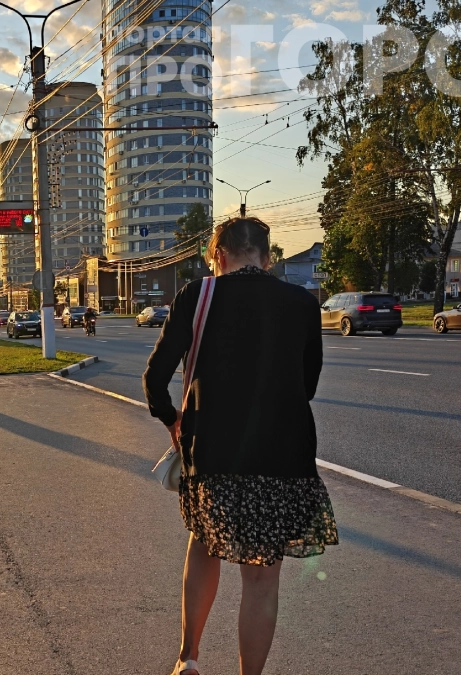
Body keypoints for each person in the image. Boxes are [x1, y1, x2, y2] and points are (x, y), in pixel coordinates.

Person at [142, 217, 338, 675]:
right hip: (283, 454)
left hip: (213, 451)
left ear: (219, 255)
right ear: (267, 258)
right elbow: (307, 385)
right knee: (262, 579)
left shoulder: (198, 295)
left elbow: (155, 378)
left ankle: (188, 659)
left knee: (203, 542)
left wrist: (171, 420)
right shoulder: (301, 303)